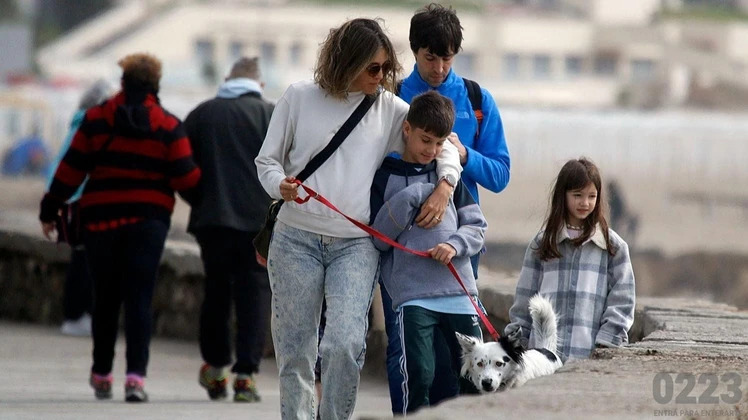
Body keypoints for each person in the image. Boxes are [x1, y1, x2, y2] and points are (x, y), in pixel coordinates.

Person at [254, 18, 462, 420]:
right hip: (295, 238)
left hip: (355, 245)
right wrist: (280, 185)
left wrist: (445, 186)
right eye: (373, 68)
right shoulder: (298, 97)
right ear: (346, 61)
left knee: (344, 346)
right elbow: (266, 160)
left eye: (386, 68)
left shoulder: (389, 109)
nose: (382, 76)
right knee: (296, 351)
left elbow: (445, 143)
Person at [39, 53, 201, 403]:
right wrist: (211, 200)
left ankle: (101, 374)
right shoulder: (169, 126)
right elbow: (186, 179)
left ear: (124, 81)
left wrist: (49, 210)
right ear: (155, 84)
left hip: (101, 222)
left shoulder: (96, 120)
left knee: (106, 299)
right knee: (140, 300)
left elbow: (70, 171)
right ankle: (135, 379)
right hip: (148, 224)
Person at [384, 3, 512, 411]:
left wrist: (463, 155)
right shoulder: (392, 98)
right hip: (401, 247)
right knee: (406, 352)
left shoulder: (477, 99)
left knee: (457, 358)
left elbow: (501, 173)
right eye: (430, 57)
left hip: (459, 249)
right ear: (414, 52)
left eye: (447, 57)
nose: (439, 68)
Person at [370, 91, 486, 414]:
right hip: (412, 296)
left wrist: (454, 245)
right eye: (425, 140)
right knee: (418, 373)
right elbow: (379, 238)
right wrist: (419, 194)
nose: (431, 151)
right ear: (406, 130)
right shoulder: (385, 176)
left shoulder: (449, 177)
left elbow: (477, 227)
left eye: (438, 144)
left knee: (475, 376)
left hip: (459, 292)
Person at [183, 56, 273, 403]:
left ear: (226, 79)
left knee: (216, 291)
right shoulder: (271, 114)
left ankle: (216, 368)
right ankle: (246, 376)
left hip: (213, 221)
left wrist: (201, 199)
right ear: (259, 84)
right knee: (255, 292)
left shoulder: (202, 114)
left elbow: (182, 168)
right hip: (259, 225)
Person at [504, 158, 636, 362]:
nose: (585, 203)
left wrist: (607, 342)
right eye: (577, 195)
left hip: (588, 356)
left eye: (592, 196)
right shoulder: (542, 244)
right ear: (562, 195)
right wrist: (515, 342)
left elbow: (622, 300)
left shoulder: (613, 247)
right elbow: (525, 299)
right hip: (541, 359)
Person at [44, 79, 112, 336]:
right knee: (87, 262)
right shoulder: (91, 128)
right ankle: (76, 316)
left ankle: (77, 315)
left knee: (83, 259)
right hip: (86, 202)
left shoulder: (77, 124)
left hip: (74, 201)